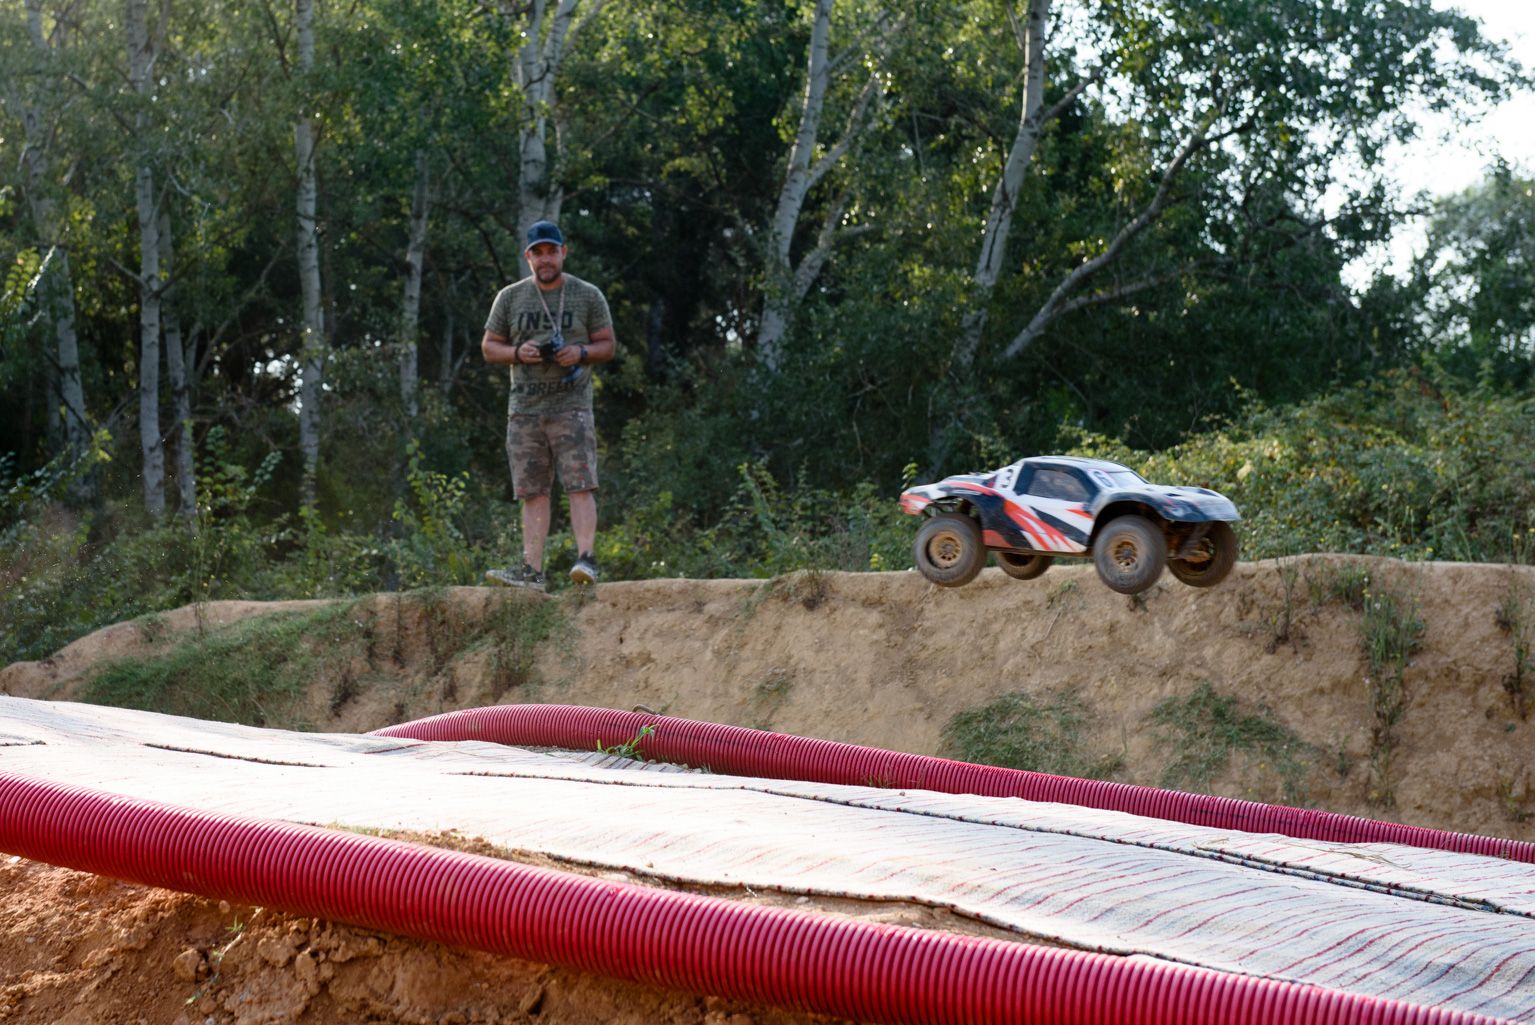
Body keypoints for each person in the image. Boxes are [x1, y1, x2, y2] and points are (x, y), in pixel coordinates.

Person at [481, 220, 616, 591]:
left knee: (580, 482)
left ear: (563, 252)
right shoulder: (509, 297)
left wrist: (581, 353)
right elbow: (489, 346)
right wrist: (517, 353)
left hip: (571, 405)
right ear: (528, 256)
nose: (545, 259)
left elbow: (608, 344)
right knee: (532, 491)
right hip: (524, 408)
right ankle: (531, 570)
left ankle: (586, 559)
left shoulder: (587, 295)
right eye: (537, 253)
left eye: (551, 251)